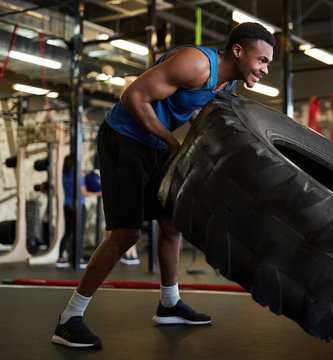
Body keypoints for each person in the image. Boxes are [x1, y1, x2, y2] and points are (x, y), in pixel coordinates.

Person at [52, 22, 274, 349]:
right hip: (124, 139)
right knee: (126, 233)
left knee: (171, 225)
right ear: (239, 51)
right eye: (262, 60)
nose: (265, 69)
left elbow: (197, 119)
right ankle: (69, 318)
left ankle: (169, 304)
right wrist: (173, 144)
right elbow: (134, 96)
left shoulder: (225, 86)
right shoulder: (195, 63)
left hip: (155, 143)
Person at [56, 154, 101, 269]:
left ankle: (60, 258)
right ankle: (79, 258)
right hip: (79, 206)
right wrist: (98, 193)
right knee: (79, 232)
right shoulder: (79, 175)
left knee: (68, 232)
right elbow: (84, 193)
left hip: (67, 205)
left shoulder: (63, 175)